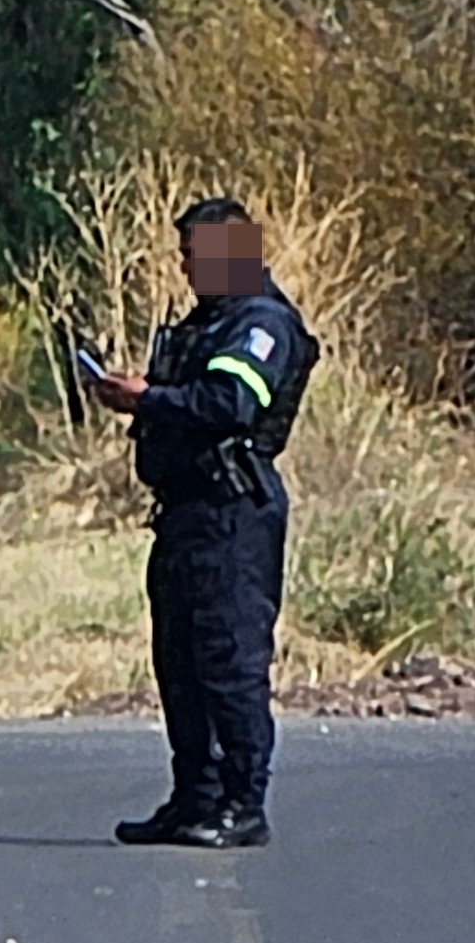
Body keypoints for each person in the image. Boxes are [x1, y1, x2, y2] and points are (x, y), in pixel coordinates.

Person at [86, 198, 318, 849]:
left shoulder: (261, 321)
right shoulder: (207, 322)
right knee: (179, 663)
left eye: (192, 255)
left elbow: (232, 400)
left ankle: (243, 804)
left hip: (232, 517)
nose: (185, 268)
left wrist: (149, 398)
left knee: (229, 661)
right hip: (185, 514)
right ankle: (196, 799)